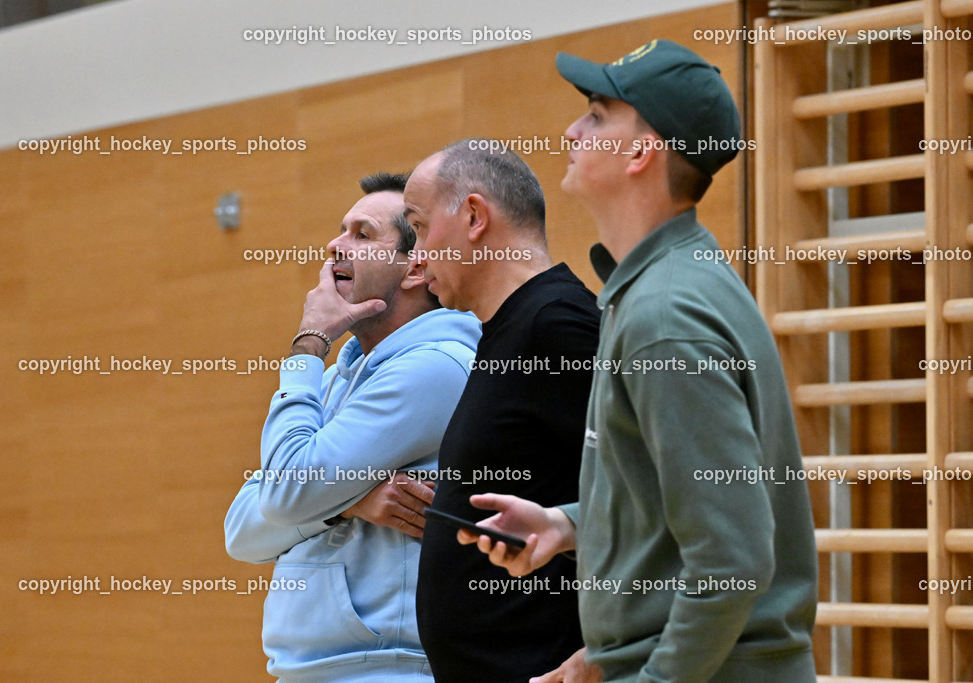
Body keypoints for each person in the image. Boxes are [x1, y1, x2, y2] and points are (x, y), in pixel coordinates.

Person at [460, 40, 819, 682]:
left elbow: (731, 559)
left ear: (641, 152)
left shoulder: (664, 317)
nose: (571, 130)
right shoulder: (659, 287)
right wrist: (564, 524)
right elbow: (674, 503)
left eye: (597, 115)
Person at [224, 172, 481, 682]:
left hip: (386, 669)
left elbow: (284, 494)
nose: (335, 246)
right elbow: (240, 532)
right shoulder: (343, 373)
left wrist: (308, 344)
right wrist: (346, 500)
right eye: (342, 230)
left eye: (362, 235)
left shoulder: (435, 366)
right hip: (314, 669)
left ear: (415, 268)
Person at [403, 142, 601, 683]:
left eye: (419, 228)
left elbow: (653, 498)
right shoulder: (506, 329)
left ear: (472, 216)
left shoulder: (556, 325)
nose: (416, 257)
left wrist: (611, 649)